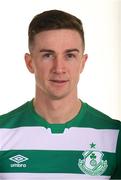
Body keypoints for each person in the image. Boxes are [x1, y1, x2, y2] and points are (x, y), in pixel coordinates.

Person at [0, 9, 121, 180]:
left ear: (82, 63)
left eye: (70, 55)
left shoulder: (114, 135)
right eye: (48, 55)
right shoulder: (1, 132)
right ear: (29, 63)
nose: (59, 68)